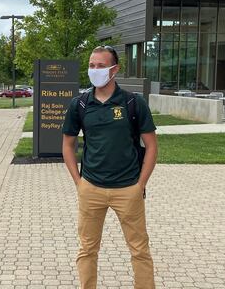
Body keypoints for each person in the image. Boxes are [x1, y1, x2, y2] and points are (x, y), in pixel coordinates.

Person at [62, 45, 158, 289]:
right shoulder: (80, 104)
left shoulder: (133, 103)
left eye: (101, 66)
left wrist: (141, 184)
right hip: (91, 188)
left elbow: (151, 146)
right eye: (92, 66)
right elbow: (68, 145)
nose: (95, 70)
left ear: (115, 69)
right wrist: (79, 182)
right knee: (87, 249)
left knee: (139, 250)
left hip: (128, 190)